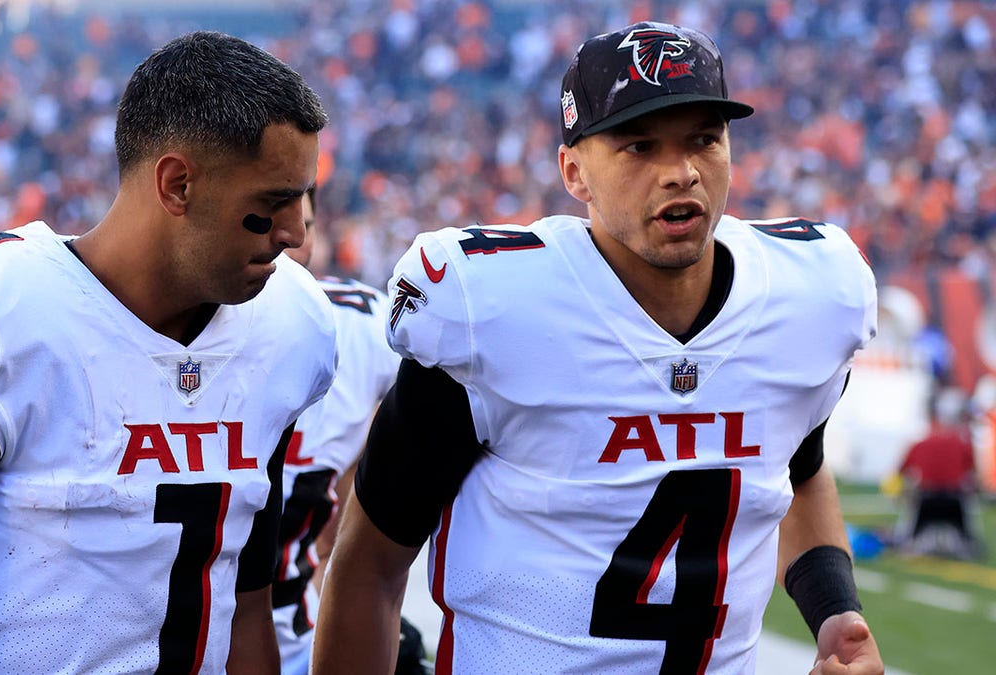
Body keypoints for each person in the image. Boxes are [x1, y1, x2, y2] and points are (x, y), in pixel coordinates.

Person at [314, 21, 884, 675]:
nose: (681, 172)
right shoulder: (494, 311)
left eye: (704, 138)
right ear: (574, 171)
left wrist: (835, 611)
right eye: (639, 146)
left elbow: (801, 466)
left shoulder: (806, 296)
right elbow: (367, 566)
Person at [0, 31, 334, 674]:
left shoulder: (286, 327)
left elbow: (247, 607)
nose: (294, 234)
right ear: (177, 185)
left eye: (303, 199)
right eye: (270, 204)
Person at [271, 187, 410, 674]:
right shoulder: (151, 328)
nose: (289, 240)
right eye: (264, 214)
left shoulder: (357, 328)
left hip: (290, 640)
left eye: (304, 225)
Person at [893, 387, 984, 559]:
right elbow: (974, 478)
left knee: (907, 533)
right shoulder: (962, 444)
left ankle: (905, 540)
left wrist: (903, 493)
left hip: (926, 501)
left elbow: (900, 473)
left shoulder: (919, 443)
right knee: (970, 522)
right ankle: (968, 542)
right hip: (954, 501)